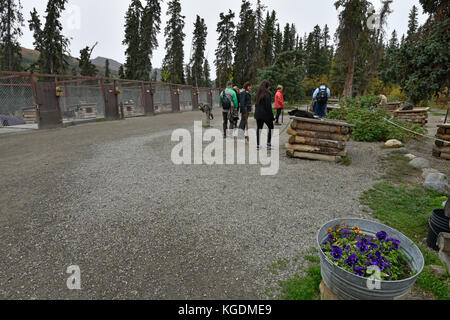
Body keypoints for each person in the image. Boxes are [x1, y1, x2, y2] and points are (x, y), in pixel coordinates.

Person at [254, 80, 275, 150]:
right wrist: (272, 117)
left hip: (258, 114)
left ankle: (258, 145)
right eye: (269, 86)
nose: (270, 87)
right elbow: (268, 107)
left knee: (259, 129)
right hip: (265, 115)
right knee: (271, 128)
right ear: (267, 86)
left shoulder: (258, 93)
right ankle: (268, 143)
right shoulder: (267, 94)